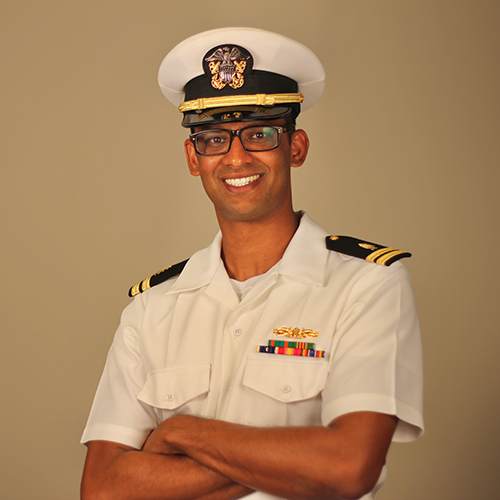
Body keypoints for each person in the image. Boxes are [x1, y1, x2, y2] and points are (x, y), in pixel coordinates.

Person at [80, 27, 423, 500]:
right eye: (214, 139)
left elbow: (347, 466)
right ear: (193, 157)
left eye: (259, 134)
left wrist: (182, 434)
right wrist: (296, 461)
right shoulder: (152, 309)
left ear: (295, 147)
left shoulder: (366, 285)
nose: (236, 157)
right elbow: (102, 488)